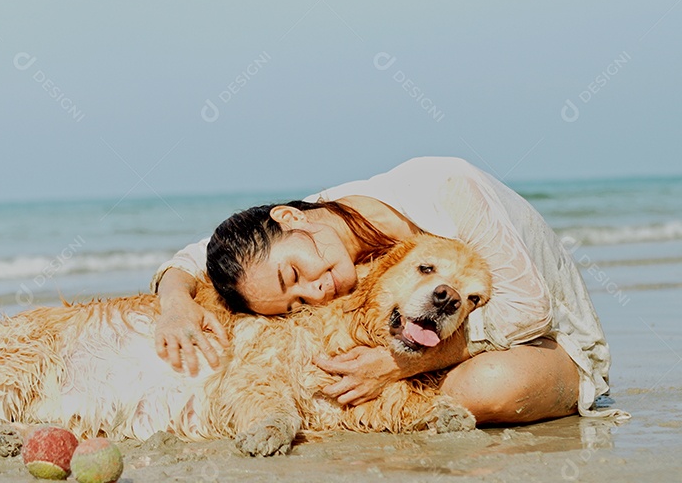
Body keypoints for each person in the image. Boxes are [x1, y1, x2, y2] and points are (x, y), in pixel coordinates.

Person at [151, 156, 622, 423]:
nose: (315, 293)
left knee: (487, 388)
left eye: (295, 276)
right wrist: (174, 302)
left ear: (290, 218)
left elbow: (529, 311)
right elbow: (202, 253)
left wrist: (399, 362)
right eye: (296, 302)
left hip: (549, 345)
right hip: (443, 339)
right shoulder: (320, 229)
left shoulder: (449, 189)